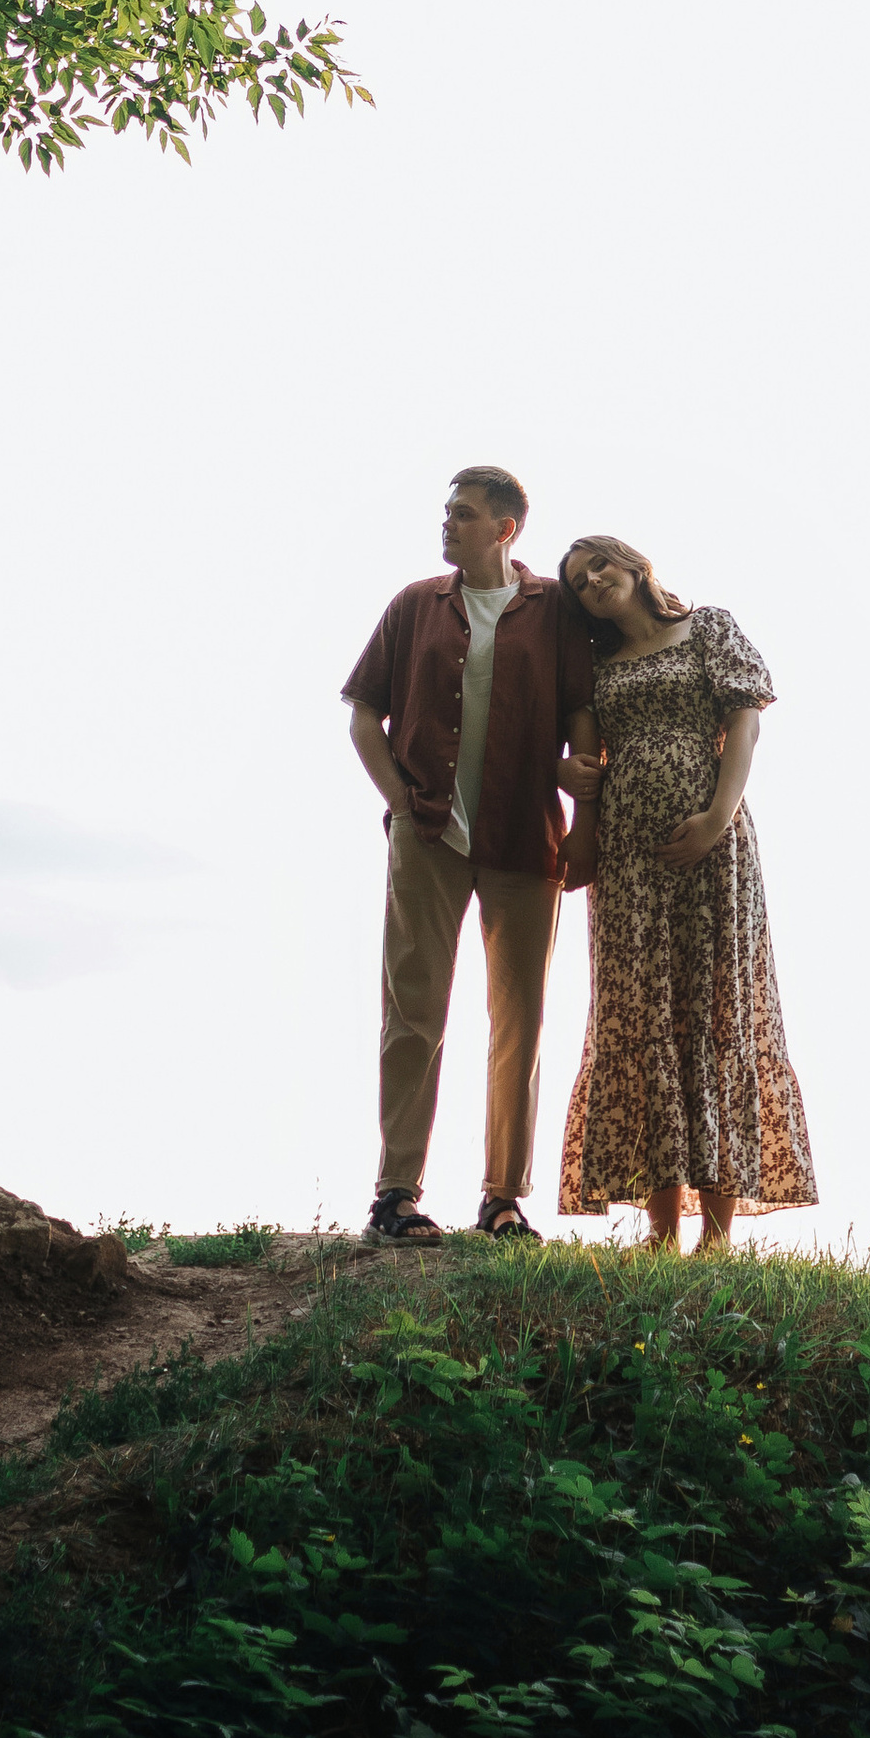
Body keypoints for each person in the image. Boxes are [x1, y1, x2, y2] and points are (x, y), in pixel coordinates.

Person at [343, 465, 598, 1244]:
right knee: (412, 1013)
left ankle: (502, 1200)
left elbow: (584, 713)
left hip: (526, 841)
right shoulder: (415, 606)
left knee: (518, 1021)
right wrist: (400, 802)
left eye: (462, 514)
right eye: (445, 513)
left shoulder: (555, 610)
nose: (446, 525)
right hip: (428, 839)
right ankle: (396, 1195)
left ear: (505, 529)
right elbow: (364, 715)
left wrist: (583, 814)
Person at [554, 533, 816, 1251]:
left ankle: (719, 1233)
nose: (593, 580)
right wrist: (573, 780)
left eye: (601, 564)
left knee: (714, 1010)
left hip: (713, 846)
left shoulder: (708, 627)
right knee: (638, 1017)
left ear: (636, 565)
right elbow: (583, 756)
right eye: (578, 580)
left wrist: (716, 819)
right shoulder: (595, 666)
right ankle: (662, 1229)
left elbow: (745, 720)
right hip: (628, 860)